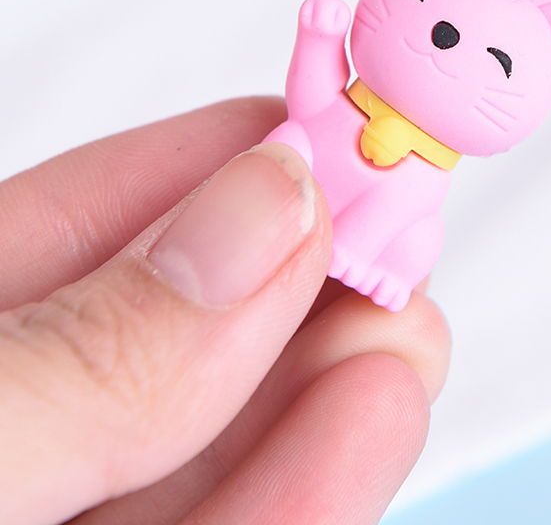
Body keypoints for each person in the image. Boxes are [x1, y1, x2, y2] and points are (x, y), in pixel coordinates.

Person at [0, 97, 450, 525]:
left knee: (413, 250)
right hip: (303, 170)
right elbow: (309, 103)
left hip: (350, 227)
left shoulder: (426, 173)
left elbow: (396, 211)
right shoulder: (346, 108)